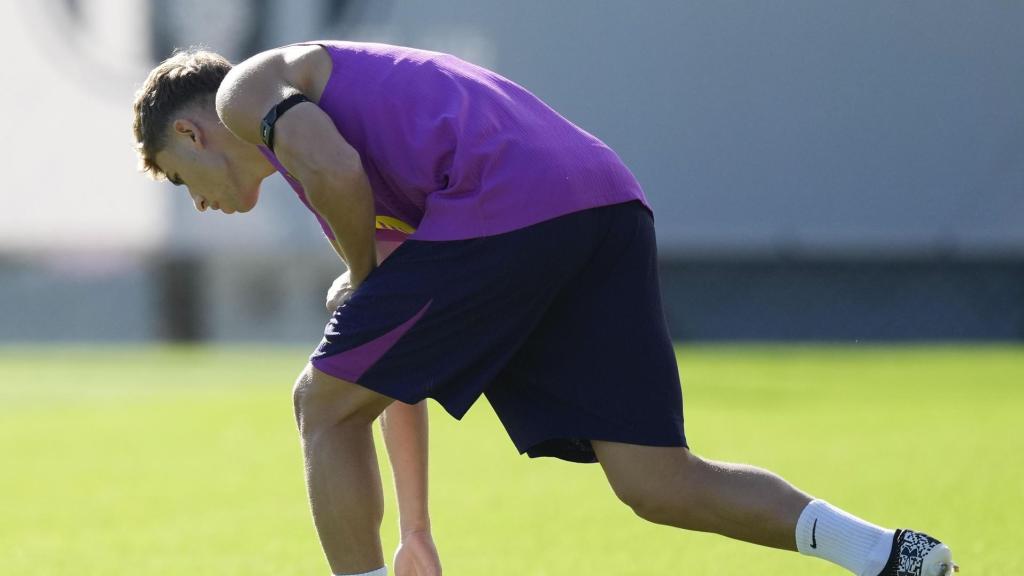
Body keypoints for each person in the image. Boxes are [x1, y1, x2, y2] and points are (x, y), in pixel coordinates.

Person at [131, 41, 958, 576]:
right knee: (657, 480)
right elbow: (385, 374)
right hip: (602, 198)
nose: (195, 201)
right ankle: (892, 555)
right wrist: (415, 529)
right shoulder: (328, 165)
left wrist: (358, 276)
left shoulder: (248, 95)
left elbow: (340, 177)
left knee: (316, 401)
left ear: (195, 136)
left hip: (508, 200)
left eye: (176, 176)